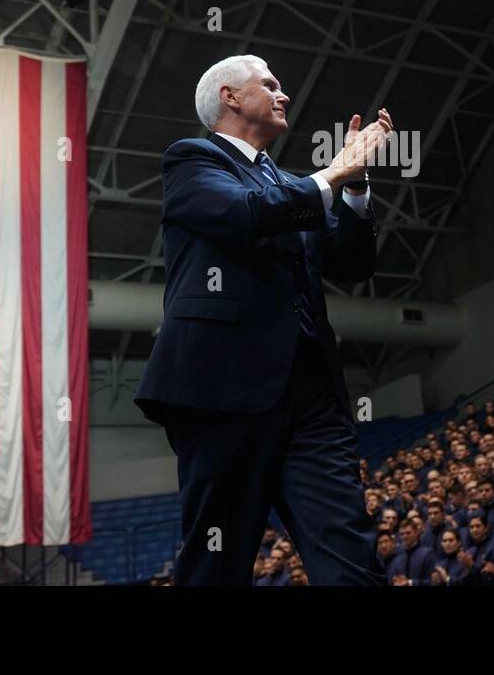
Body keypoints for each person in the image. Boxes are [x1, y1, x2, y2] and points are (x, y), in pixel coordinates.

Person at [133, 54, 393, 585]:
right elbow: (243, 214)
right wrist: (333, 173)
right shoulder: (191, 160)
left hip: (313, 396)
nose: (284, 94)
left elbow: (351, 264)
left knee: (350, 553)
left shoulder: (294, 186)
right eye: (270, 84)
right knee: (217, 564)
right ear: (229, 97)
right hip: (222, 391)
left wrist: (357, 188)